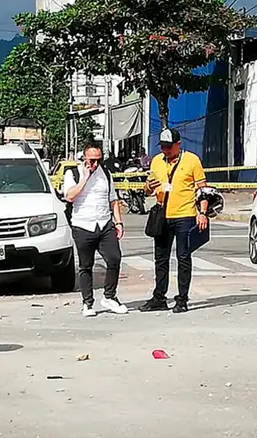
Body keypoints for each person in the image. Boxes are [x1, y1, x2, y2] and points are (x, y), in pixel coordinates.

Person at [139, 128, 208, 314]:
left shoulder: (192, 160)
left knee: (183, 258)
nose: (165, 151)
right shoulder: (156, 161)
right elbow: (148, 190)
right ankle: (159, 297)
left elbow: (203, 190)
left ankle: (182, 299)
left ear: (178, 145)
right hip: (162, 215)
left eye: (169, 147)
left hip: (185, 215)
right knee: (160, 259)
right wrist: (147, 188)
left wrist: (202, 213)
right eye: (162, 146)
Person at [62, 141, 128, 318]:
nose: (95, 164)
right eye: (92, 160)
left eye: (98, 159)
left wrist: (119, 222)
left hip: (104, 223)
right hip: (83, 225)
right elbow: (69, 196)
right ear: (84, 157)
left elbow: (113, 200)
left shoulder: (105, 173)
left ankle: (110, 296)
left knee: (114, 258)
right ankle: (87, 302)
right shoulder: (73, 173)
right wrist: (85, 177)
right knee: (86, 265)